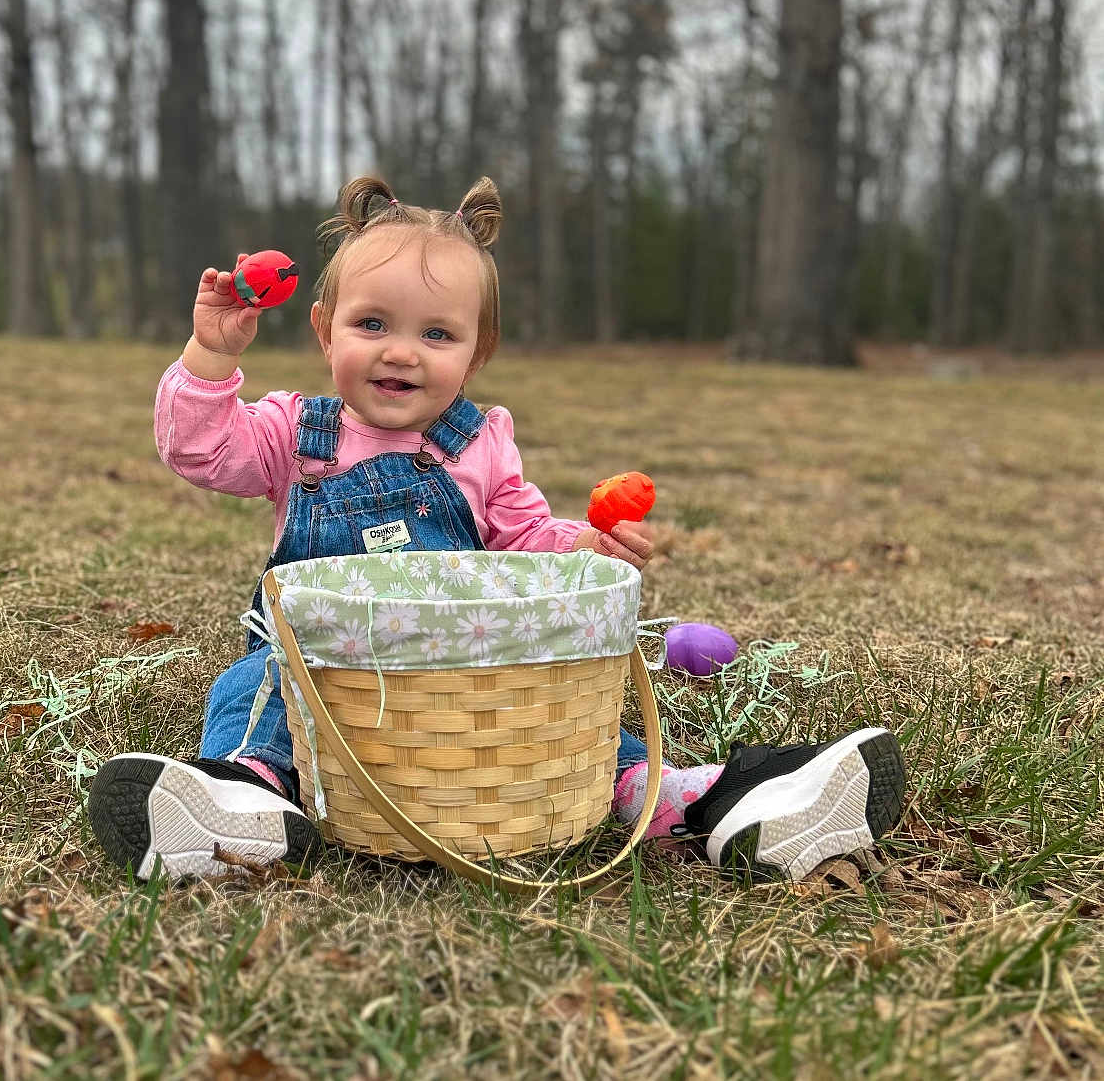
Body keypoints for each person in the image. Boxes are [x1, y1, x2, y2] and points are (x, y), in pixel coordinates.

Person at [87, 176, 906, 883]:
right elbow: (196, 447)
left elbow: (520, 539)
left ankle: (714, 801)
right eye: (372, 324)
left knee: (572, 722)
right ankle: (245, 795)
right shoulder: (293, 432)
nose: (400, 353)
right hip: (322, 667)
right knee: (257, 688)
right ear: (323, 327)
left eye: (436, 334)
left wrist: (582, 546)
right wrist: (208, 355)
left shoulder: (477, 442)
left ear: (476, 353)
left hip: (464, 670)